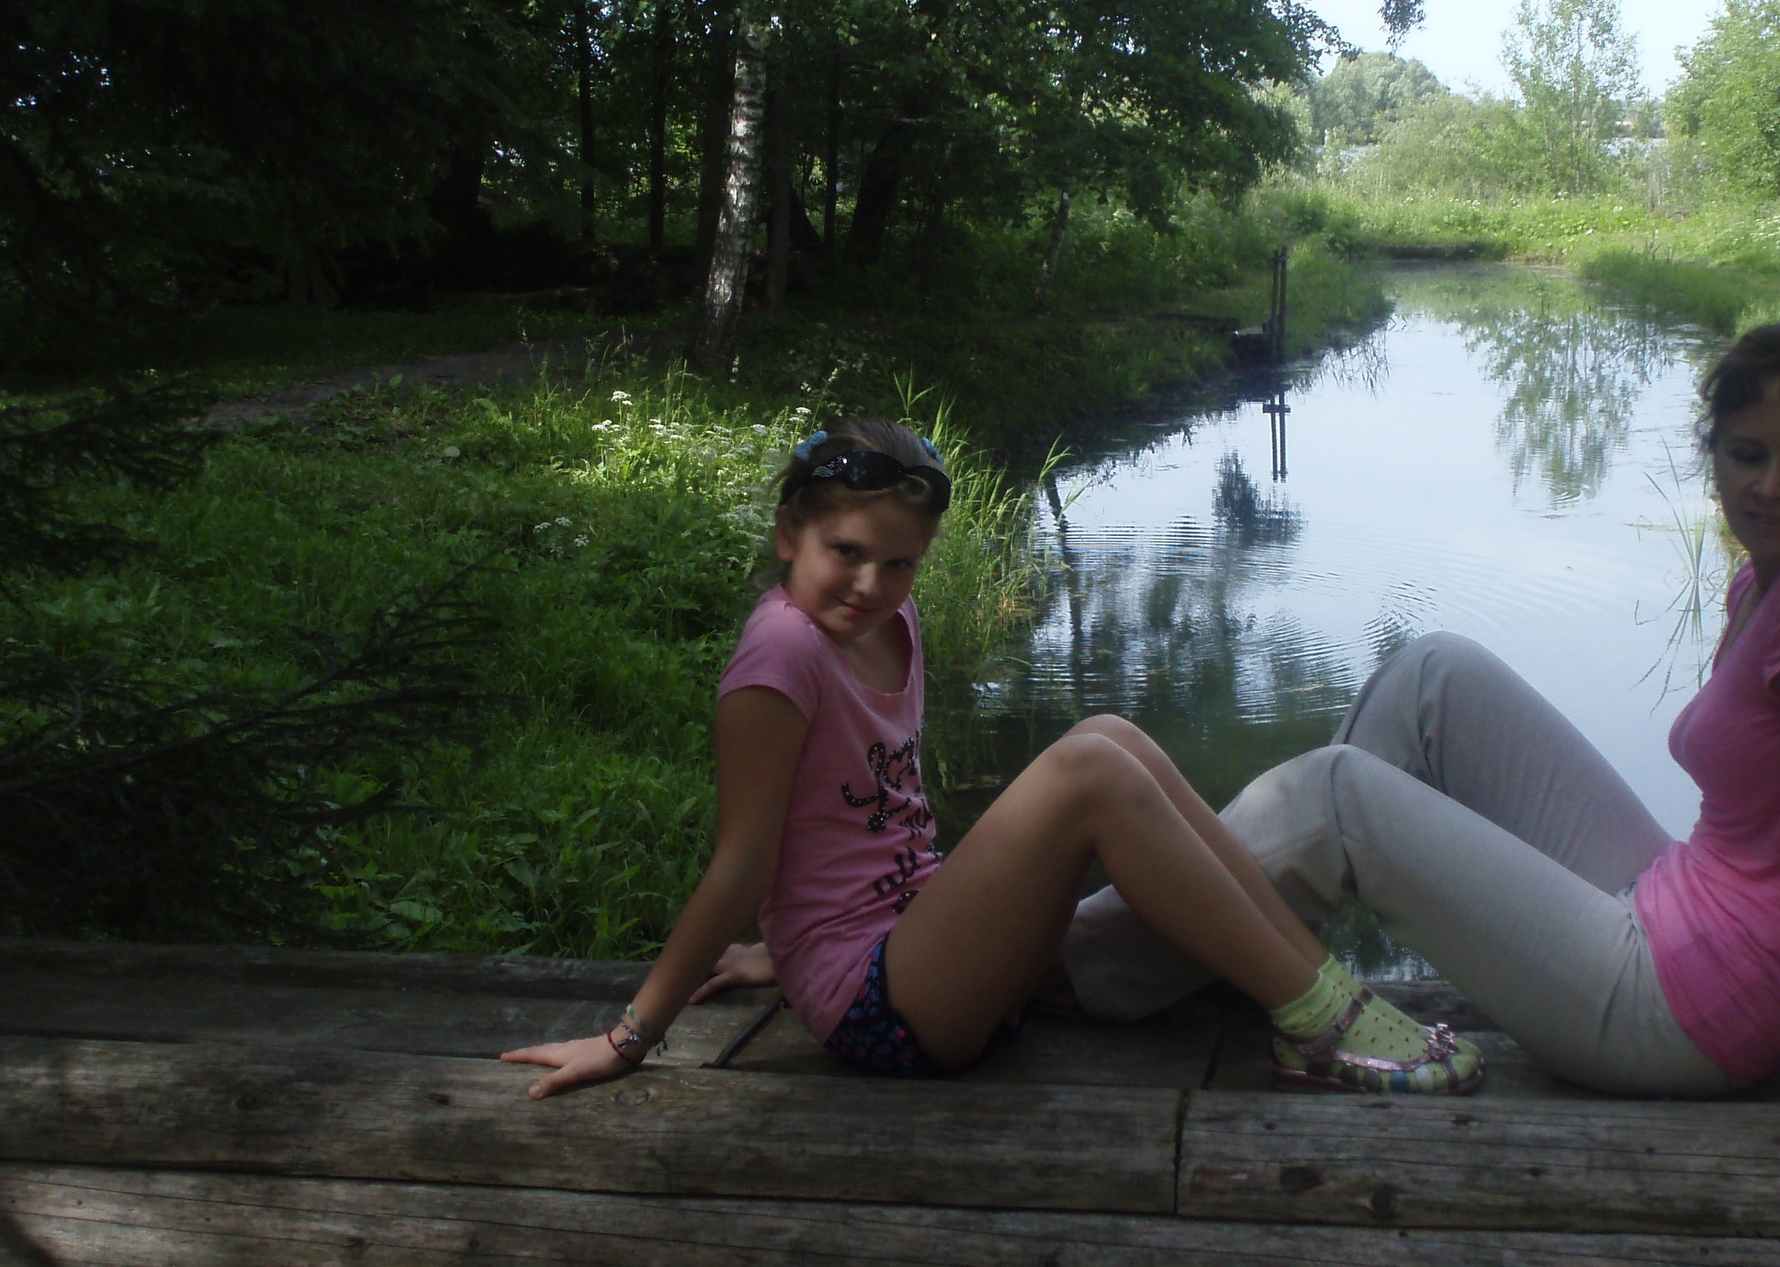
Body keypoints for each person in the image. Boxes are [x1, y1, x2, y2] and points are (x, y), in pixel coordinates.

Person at [1061, 319, 1780, 1222]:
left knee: (1337, 796)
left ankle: (1073, 966)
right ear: (1712, 453)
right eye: (1748, 454)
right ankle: (1217, 937)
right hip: (1676, 909)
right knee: (1433, 677)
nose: (1771, 485)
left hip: (1690, 1012)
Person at [502, 416, 1482, 1102]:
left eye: (899, 563)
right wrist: (630, 1036)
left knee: (1111, 735)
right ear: (788, 533)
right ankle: (1318, 1018)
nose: (871, 584)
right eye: (845, 552)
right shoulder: (780, 658)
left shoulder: (891, 623)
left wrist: (782, 946)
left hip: (920, 940)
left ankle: (1321, 994)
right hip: (881, 1012)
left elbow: (860, 815)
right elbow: (741, 861)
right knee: (1090, 772)